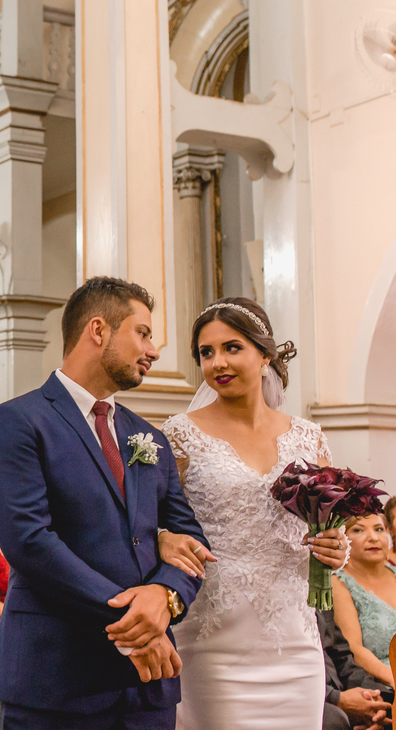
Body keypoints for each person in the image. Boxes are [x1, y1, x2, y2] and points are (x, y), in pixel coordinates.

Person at [0, 277, 209, 729]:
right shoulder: (19, 423)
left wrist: (165, 597)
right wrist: (137, 623)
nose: (154, 350)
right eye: (142, 333)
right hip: (56, 677)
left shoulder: (150, 437)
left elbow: (191, 540)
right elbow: (29, 543)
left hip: (146, 686)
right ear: (99, 330)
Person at [155, 296, 349, 730]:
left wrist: (337, 548)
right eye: (206, 352)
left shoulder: (308, 436)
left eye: (232, 347)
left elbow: (327, 526)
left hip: (295, 644)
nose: (218, 362)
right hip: (212, 642)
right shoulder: (179, 436)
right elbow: (152, 522)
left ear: (265, 356)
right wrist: (162, 538)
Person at [333, 513, 396, 687]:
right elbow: (353, 648)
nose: (373, 538)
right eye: (359, 530)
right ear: (343, 538)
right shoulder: (339, 583)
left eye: (379, 529)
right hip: (381, 683)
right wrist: (393, 678)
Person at [320, 608, 391, 730]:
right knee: (335, 721)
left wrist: (371, 696)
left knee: (387, 708)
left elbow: (341, 655)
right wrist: (336, 698)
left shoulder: (316, 590)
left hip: (342, 689)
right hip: (311, 697)